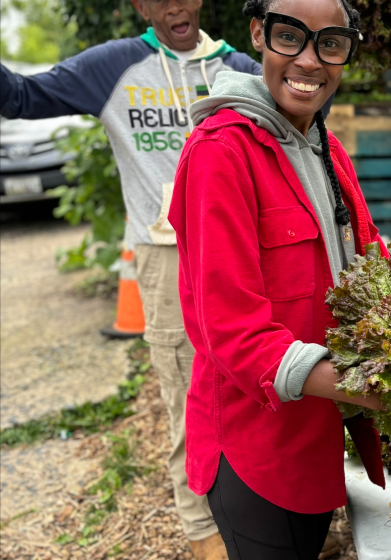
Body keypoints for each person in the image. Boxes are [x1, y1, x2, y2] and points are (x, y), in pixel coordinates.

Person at [0, 2, 261, 557]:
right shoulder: (114, 67)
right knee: (188, 399)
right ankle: (204, 539)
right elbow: (18, 97)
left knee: (258, 389)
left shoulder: (242, 68)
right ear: (140, 5)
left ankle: (262, 525)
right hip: (166, 256)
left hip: (244, 252)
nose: (174, 4)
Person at [167, 0, 388, 556]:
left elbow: (369, 259)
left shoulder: (327, 147)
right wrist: (376, 387)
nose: (310, 61)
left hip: (317, 432)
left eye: (331, 43)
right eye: (291, 38)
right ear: (259, 35)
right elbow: (232, 333)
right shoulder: (221, 152)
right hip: (257, 445)